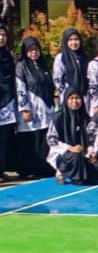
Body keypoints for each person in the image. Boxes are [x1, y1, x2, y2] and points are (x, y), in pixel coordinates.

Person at [15, 36, 55, 178]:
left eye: (36, 50)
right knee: (30, 140)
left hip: (45, 109)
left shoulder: (42, 65)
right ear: (25, 51)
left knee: (43, 139)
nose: (34, 53)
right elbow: (20, 89)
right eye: (31, 50)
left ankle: (44, 169)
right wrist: (24, 109)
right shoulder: (22, 67)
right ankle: (27, 170)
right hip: (30, 109)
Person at [46, 89, 98, 185]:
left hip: (84, 152)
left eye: (77, 98)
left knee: (95, 169)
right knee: (76, 159)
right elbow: (51, 139)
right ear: (66, 100)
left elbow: (92, 138)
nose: (75, 101)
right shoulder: (58, 118)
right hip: (64, 153)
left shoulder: (86, 118)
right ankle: (61, 170)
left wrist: (91, 151)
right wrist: (70, 148)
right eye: (71, 98)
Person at [0, 24, 16, 181]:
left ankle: (1, 169)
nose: (1, 38)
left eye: (3, 35)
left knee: (4, 138)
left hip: (7, 103)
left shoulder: (8, 56)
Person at [52, 28, 88, 99]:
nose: (74, 42)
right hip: (68, 97)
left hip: (84, 97)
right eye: (70, 40)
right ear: (66, 41)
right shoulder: (61, 58)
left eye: (76, 39)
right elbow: (57, 79)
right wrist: (65, 94)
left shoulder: (84, 57)